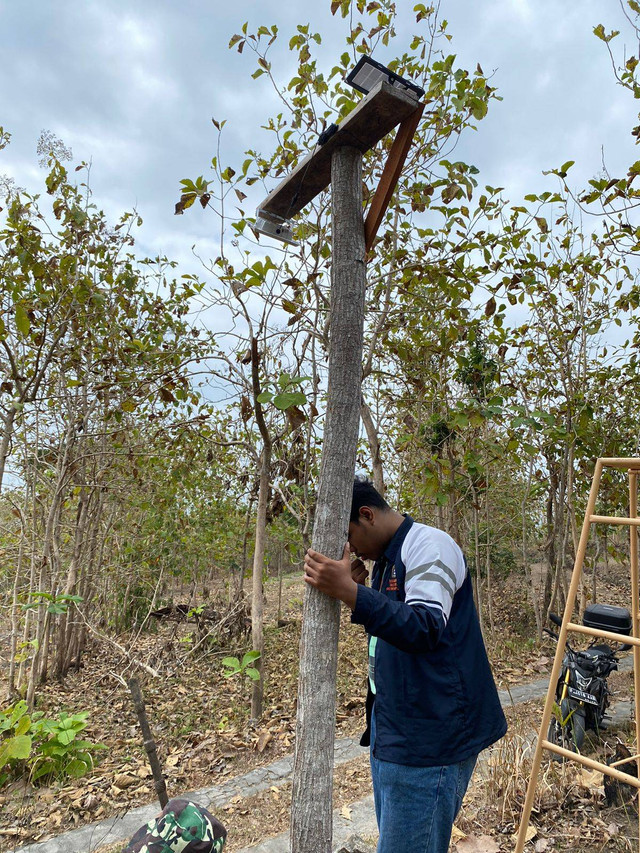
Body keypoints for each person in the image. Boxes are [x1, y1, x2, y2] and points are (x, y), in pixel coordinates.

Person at [303, 476, 507, 853]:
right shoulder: (384, 561)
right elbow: (390, 635)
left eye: (349, 537)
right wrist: (360, 591)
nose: (350, 549)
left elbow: (425, 627)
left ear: (366, 515)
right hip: (393, 729)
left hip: (430, 738)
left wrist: (352, 593)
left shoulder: (430, 546)